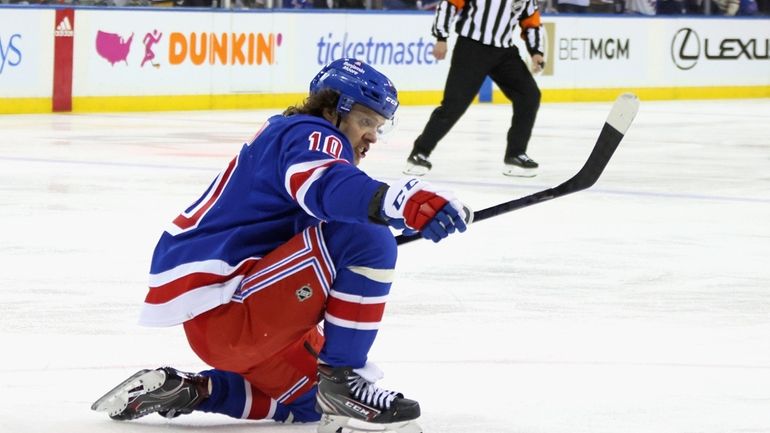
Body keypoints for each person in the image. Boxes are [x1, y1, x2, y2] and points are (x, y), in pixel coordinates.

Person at [91, 58, 470, 433]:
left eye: (378, 126)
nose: (373, 136)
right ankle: (344, 378)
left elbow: (342, 197)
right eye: (366, 121)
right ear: (332, 109)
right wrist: (406, 202)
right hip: (233, 311)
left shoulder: (291, 138)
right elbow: (327, 187)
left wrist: (422, 212)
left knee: (311, 404)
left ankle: (195, 390)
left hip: (229, 327)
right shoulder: (309, 132)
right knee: (368, 239)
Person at [404, 0, 545, 178]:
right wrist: (441, 37)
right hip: (472, 47)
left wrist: (536, 52)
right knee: (454, 105)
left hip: (504, 51)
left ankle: (515, 154)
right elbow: (449, 4)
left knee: (529, 95)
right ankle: (420, 152)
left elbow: (531, 22)